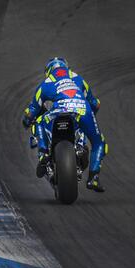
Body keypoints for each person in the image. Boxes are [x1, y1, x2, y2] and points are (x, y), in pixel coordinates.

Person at [21, 57, 107, 192]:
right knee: (99, 142)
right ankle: (93, 178)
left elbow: (31, 111)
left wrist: (26, 122)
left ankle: (43, 153)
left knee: (39, 122)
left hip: (57, 112)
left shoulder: (45, 84)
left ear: (48, 71)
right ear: (67, 68)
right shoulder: (79, 79)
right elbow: (95, 103)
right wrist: (91, 116)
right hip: (81, 110)